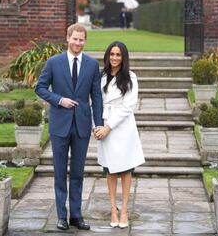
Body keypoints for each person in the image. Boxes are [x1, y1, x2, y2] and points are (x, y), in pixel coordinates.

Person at [35, 24, 103, 231]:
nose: (77, 43)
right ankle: (61, 216)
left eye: (81, 40)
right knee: (59, 172)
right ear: (67, 38)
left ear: (85, 41)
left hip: (82, 125)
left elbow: (97, 96)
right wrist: (59, 100)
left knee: (77, 172)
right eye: (74, 39)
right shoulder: (54, 63)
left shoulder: (92, 65)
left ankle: (76, 215)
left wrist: (98, 123)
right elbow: (40, 88)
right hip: (60, 125)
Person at [94, 41, 145, 229]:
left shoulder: (130, 77)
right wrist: (97, 126)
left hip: (122, 127)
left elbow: (128, 106)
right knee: (110, 169)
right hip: (104, 124)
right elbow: (94, 101)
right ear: (107, 56)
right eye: (112, 54)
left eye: (118, 55)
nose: (114, 58)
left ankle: (124, 209)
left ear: (124, 58)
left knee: (125, 168)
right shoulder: (100, 76)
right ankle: (113, 209)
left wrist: (109, 127)